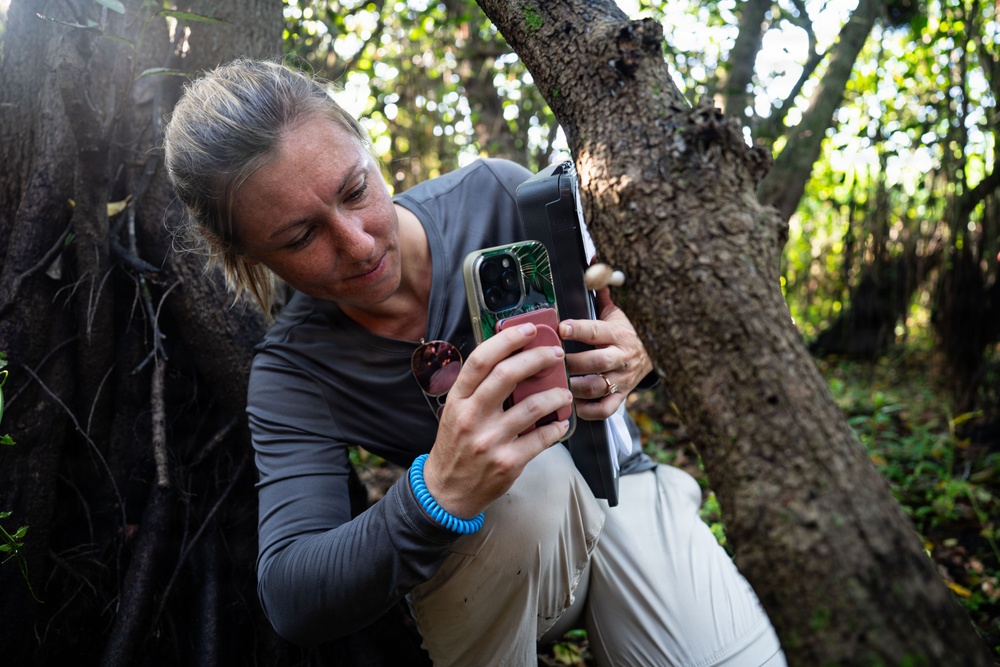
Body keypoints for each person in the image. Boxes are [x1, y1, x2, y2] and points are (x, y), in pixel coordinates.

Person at [163, 58, 786, 667]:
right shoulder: (295, 371)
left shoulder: (495, 196)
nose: (356, 244)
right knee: (529, 480)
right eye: (300, 238)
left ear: (366, 148)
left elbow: (657, 293)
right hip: (500, 560)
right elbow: (293, 598)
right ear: (244, 252)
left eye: (355, 191)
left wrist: (639, 340)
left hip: (621, 485)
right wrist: (437, 492)